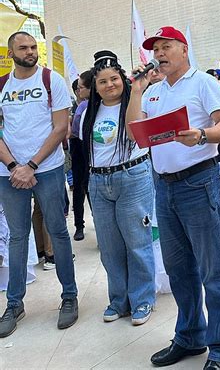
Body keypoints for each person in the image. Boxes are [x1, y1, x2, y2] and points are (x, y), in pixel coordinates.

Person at [126, 26, 220, 370]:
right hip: (164, 185)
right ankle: (190, 337)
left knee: (211, 270)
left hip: (198, 182)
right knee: (178, 270)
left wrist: (202, 135)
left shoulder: (203, 82)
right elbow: (136, 131)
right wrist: (135, 91)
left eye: (166, 46)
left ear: (184, 49)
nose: (159, 53)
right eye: (156, 48)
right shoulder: (155, 91)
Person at [0, 31, 78, 337]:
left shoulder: (51, 80)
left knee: (58, 232)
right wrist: (13, 166)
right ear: (11, 52)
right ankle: (14, 303)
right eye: (24, 47)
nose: (31, 51)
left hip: (47, 170)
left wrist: (31, 165)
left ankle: (69, 297)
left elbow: (61, 128)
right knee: (18, 237)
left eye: (34, 47)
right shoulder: (2, 85)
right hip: (8, 174)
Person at [80, 50, 155, 325]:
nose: (109, 85)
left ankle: (143, 300)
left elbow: (136, 131)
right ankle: (118, 301)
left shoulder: (137, 101)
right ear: (95, 87)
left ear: (123, 79)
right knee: (110, 248)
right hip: (99, 181)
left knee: (137, 243)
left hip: (132, 177)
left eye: (114, 79)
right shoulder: (89, 112)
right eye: (102, 82)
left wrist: (137, 90)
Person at [70, 69, 93, 240]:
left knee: (90, 189)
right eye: (77, 88)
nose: (79, 91)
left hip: (88, 151)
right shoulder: (77, 106)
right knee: (79, 188)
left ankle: (96, 225)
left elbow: (75, 130)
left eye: (81, 87)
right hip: (78, 150)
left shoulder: (89, 105)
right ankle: (79, 225)